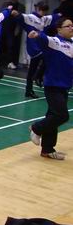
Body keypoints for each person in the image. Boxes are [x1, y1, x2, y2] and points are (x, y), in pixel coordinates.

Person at [27, 18, 72, 160]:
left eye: (72, 25)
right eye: (68, 26)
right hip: (53, 85)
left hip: (65, 86)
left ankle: (47, 149)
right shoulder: (55, 42)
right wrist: (36, 34)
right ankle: (36, 128)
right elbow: (43, 38)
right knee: (61, 115)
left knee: (52, 115)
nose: (71, 28)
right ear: (59, 29)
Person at [20, 2, 57, 98]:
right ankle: (37, 78)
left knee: (35, 68)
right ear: (38, 9)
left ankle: (30, 89)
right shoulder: (30, 17)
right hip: (34, 46)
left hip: (41, 45)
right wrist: (13, 12)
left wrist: (60, 14)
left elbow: (54, 17)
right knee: (40, 63)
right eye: (42, 10)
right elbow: (20, 17)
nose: (43, 13)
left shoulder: (44, 19)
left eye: (45, 11)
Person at [1, 0, 25, 70]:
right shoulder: (5, 4)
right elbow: (1, 13)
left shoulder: (21, 6)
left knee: (11, 46)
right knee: (2, 45)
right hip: (4, 27)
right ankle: (1, 61)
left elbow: (21, 18)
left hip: (13, 28)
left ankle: (11, 62)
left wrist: (18, 29)